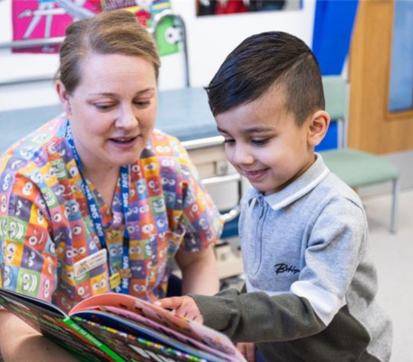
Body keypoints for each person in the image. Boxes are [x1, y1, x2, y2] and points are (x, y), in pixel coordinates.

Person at [0, 10, 222, 362]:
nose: (128, 122)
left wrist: (198, 336)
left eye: (143, 101)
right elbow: (19, 342)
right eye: (105, 105)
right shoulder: (22, 185)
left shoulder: (168, 161)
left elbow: (199, 260)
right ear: (65, 95)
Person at [157, 31, 393, 362]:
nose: (240, 157)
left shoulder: (336, 213)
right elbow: (263, 287)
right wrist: (246, 329)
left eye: (259, 140)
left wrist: (227, 314)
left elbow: (309, 308)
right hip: (281, 347)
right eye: (228, 139)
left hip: (343, 355)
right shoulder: (257, 196)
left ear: (314, 128)